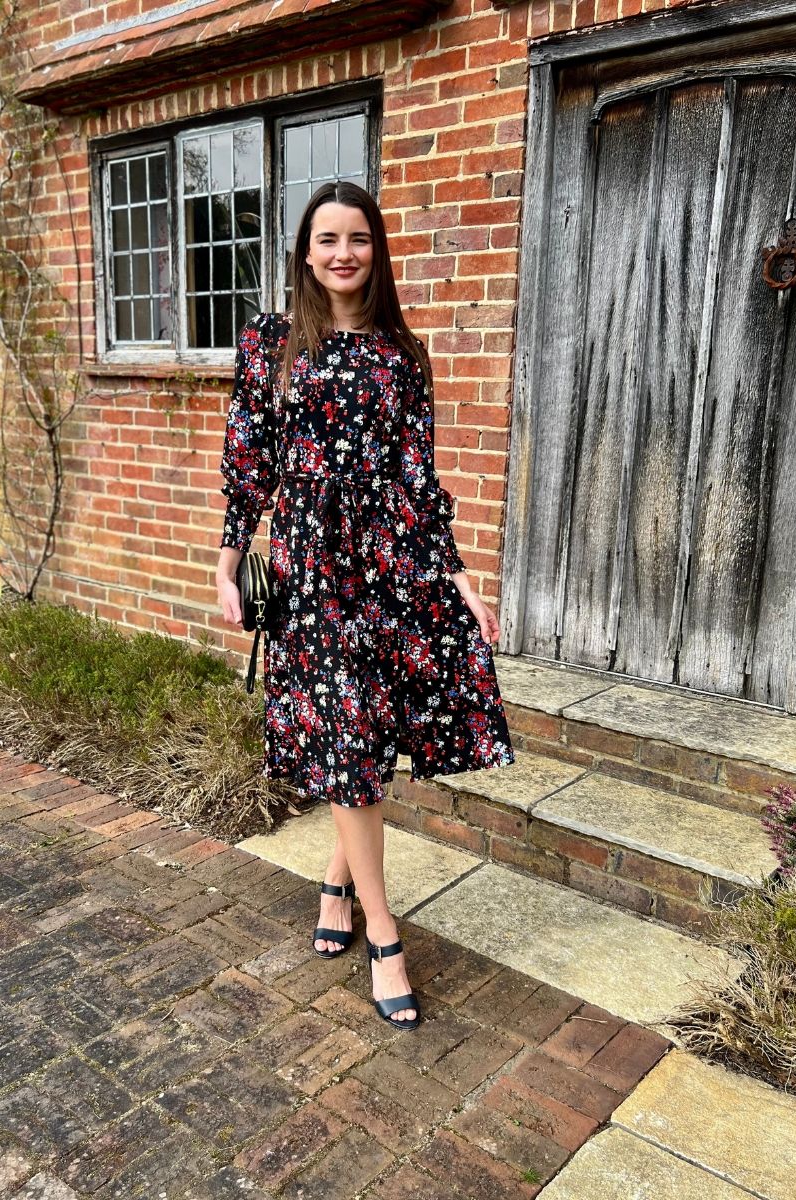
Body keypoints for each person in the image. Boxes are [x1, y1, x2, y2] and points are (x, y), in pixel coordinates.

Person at [215, 180, 516, 1031]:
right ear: (304, 253)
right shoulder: (273, 342)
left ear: (375, 250)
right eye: (326, 240)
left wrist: (453, 571)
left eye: (358, 238)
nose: (342, 253)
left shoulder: (401, 354)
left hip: (387, 563)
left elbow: (418, 478)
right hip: (312, 567)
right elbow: (250, 458)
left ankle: (338, 883)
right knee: (346, 732)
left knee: (368, 734)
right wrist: (229, 562)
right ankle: (385, 932)